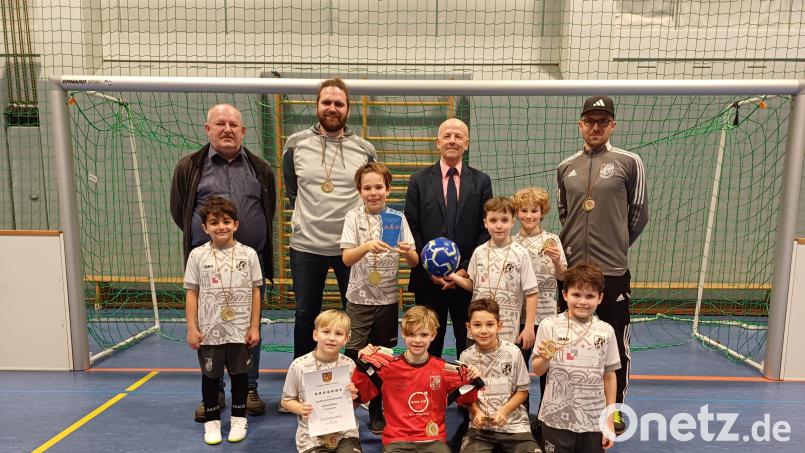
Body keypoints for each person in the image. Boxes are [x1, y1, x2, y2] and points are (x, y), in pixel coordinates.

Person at [171, 103, 276, 420]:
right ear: (208, 129)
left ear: (243, 131)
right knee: (208, 328)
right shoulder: (189, 167)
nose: (227, 129)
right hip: (207, 270)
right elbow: (180, 211)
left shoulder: (260, 168)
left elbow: (266, 211)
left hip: (247, 265)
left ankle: (250, 387)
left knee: (248, 329)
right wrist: (209, 247)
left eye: (233, 124)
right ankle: (213, 390)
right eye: (220, 123)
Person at [556, 95, 648, 434]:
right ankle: (561, 406)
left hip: (611, 272)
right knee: (564, 342)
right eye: (589, 121)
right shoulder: (566, 167)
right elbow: (565, 213)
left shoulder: (629, 161)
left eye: (602, 121)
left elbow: (638, 214)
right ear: (580, 125)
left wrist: (617, 245)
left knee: (615, 344)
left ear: (612, 125)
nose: (595, 127)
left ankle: (615, 411)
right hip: (571, 274)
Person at [283, 78, 378, 359]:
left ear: (348, 109)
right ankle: (302, 372)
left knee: (354, 313)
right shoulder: (295, 144)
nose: (332, 108)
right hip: (306, 247)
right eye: (327, 102)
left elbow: (369, 193)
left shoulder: (365, 149)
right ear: (317, 106)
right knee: (305, 314)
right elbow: (293, 190)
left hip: (349, 249)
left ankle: (352, 374)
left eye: (339, 103)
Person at [404, 117, 493, 358]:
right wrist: (430, 269)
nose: (452, 140)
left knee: (470, 343)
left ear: (467, 143)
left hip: (468, 280)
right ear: (437, 142)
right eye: (447, 136)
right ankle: (429, 392)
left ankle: (469, 393)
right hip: (427, 280)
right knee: (429, 341)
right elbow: (412, 227)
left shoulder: (481, 181)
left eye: (458, 136)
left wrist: (464, 270)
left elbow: (486, 230)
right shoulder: (418, 181)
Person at [340, 162, 418, 434]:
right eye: (367, 187)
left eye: (378, 187)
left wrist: (407, 251)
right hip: (359, 301)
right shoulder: (353, 218)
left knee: (381, 357)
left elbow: (414, 261)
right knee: (353, 355)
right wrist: (366, 246)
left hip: (386, 302)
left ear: (388, 189)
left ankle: (376, 409)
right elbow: (347, 259)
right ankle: (346, 407)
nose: (373, 192)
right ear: (359, 191)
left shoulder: (398, 218)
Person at [183, 196, 263, 445]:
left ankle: (239, 418)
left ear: (236, 224)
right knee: (210, 376)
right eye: (214, 222)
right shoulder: (197, 255)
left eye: (226, 221)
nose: (221, 227)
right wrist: (192, 327)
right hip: (210, 330)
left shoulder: (248, 254)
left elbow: (255, 291)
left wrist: (253, 326)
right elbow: (192, 292)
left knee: (240, 375)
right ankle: (212, 421)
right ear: (205, 228)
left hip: (239, 330)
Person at [352, 306, 482, 453]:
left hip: (433, 440)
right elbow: (360, 395)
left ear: (433, 335)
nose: (417, 340)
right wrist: (361, 367)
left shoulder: (444, 369)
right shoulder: (387, 367)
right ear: (403, 334)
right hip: (397, 441)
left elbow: (467, 400)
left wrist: (472, 379)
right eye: (412, 334)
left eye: (424, 334)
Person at [531, 263, 620, 453]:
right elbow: (537, 370)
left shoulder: (606, 331)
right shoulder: (549, 326)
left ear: (600, 298)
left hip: (593, 420)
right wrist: (545, 358)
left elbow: (610, 377)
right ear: (564, 295)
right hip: (555, 418)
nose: (583, 301)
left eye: (590, 296)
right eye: (576, 295)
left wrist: (609, 420)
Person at [447, 197, 539, 351]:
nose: (498, 225)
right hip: (479, 328)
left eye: (504, 220)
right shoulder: (479, 252)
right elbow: (473, 286)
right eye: (493, 220)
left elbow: (532, 292)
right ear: (485, 223)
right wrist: (453, 276)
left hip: (507, 329)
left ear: (512, 222)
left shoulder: (521, 253)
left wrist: (529, 326)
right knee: (476, 369)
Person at [458, 298, 539, 453]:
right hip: (480, 428)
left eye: (489, 324)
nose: (483, 330)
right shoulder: (465, 357)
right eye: (477, 325)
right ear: (468, 327)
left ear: (499, 326)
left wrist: (504, 411)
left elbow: (522, 392)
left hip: (515, 426)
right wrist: (475, 412)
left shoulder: (513, 352)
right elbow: (465, 394)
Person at [512, 187, 567, 400]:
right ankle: (521, 418)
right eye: (523, 210)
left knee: (548, 369)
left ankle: (545, 418)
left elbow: (563, 276)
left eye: (534, 211)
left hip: (547, 317)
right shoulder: (512, 242)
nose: (528, 215)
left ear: (542, 212)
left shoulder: (552, 240)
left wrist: (556, 261)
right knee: (519, 370)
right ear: (517, 213)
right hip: (519, 318)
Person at [281, 310, 361, 453]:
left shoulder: (350, 365)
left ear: (346, 338)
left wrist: (353, 399)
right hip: (311, 436)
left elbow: (353, 406)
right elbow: (286, 401)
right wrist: (300, 409)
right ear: (315, 334)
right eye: (326, 332)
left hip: (345, 433)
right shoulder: (299, 365)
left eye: (338, 333)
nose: (331, 338)